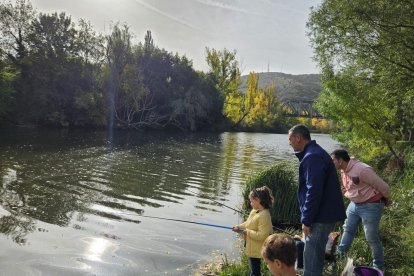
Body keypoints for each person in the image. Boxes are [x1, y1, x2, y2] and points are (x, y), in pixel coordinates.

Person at [288, 124, 346, 276]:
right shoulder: (315, 152)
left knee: (312, 259)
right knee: (316, 255)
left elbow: (314, 191)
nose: (289, 143)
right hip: (323, 214)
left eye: (290, 139)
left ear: (298, 138)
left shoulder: (312, 156)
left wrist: (306, 220)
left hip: (320, 217)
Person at [331, 149, 391, 271]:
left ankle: (378, 268)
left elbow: (384, 186)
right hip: (354, 204)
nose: (331, 163)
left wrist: (388, 199)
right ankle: (338, 257)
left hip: (371, 205)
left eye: (333, 161)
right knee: (347, 229)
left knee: (371, 237)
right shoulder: (343, 170)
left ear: (340, 160)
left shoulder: (362, 169)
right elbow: (350, 186)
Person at [233, 186, 274, 276]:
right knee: (253, 269)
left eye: (251, 201)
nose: (251, 203)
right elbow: (248, 223)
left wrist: (246, 232)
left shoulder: (264, 216)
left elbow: (262, 236)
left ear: (258, 200)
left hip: (257, 249)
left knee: (255, 272)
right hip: (251, 245)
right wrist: (239, 227)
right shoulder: (255, 211)